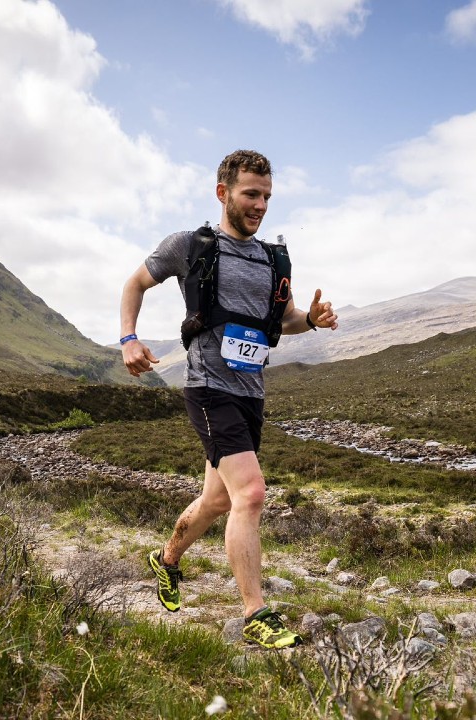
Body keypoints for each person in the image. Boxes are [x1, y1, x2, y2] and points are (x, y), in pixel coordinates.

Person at [120, 149, 338, 649]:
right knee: (251, 494)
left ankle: (166, 559)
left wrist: (311, 320)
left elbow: (282, 319)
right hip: (208, 388)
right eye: (250, 194)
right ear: (223, 193)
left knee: (218, 499)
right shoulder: (190, 246)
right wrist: (128, 337)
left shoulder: (273, 259)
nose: (260, 205)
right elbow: (135, 283)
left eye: (267, 196)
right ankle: (255, 614)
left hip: (250, 392)